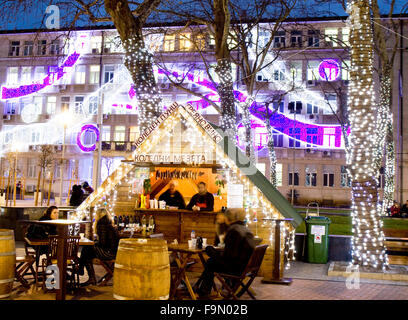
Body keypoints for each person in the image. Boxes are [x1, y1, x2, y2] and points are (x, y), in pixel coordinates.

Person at [196, 208, 256, 298]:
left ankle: (203, 292)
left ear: (227, 219)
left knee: (211, 262)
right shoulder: (245, 229)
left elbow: (229, 257)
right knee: (212, 261)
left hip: (236, 268)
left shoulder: (233, 231)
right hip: (246, 267)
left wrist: (211, 251)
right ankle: (202, 290)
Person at [78, 208, 120, 286]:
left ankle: (87, 274)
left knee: (86, 250)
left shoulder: (102, 225)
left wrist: (95, 244)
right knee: (87, 251)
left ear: (98, 215)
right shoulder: (109, 223)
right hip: (114, 252)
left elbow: (103, 243)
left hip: (108, 253)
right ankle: (85, 273)